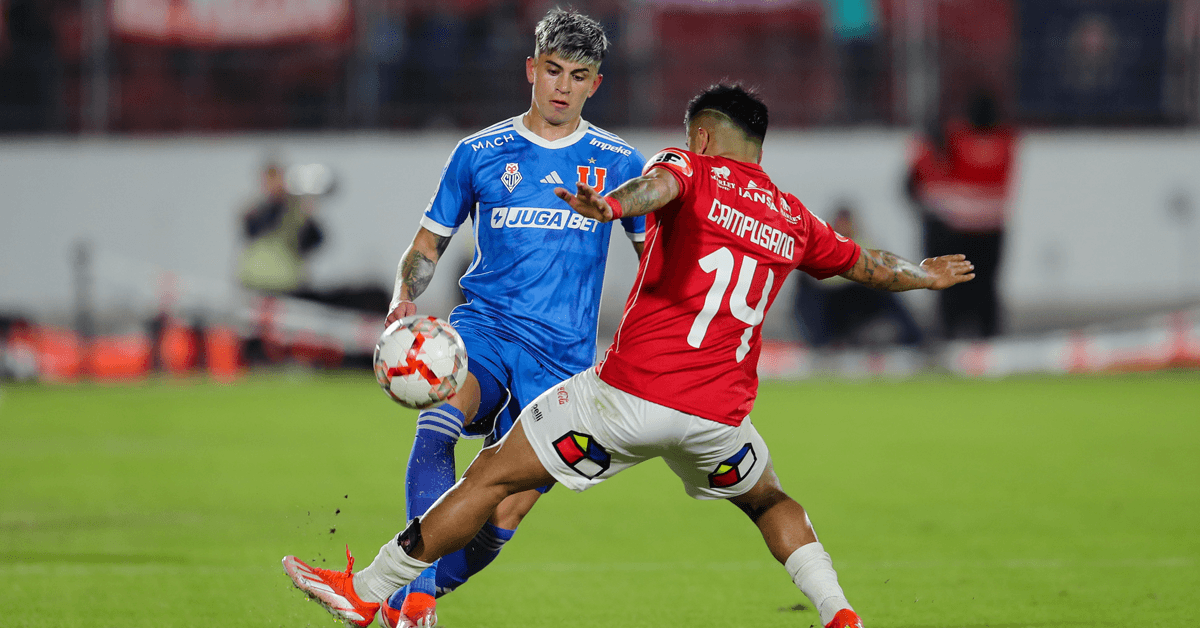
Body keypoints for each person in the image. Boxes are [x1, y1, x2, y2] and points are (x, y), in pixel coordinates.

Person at [282, 84, 973, 628]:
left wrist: (611, 206)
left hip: (625, 399)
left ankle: (369, 592)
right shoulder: (793, 216)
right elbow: (870, 265)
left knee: (491, 475)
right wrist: (924, 272)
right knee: (768, 499)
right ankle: (839, 613)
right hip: (719, 418)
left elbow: (657, 189)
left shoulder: (687, 167)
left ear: (701, 136)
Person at [373, 8, 647, 628]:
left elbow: (652, 260)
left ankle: (409, 600)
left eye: (578, 76)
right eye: (552, 70)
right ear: (531, 69)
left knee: (503, 513)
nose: (562, 87)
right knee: (440, 416)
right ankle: (411, 600)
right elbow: (426, 248)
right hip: (486, 331)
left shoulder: (621, 163)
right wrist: (402, 299)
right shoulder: (480, 153)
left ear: (595, 84)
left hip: (565, 362)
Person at [905, 89, 1017, 339]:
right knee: (984, 289)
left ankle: (953, 336)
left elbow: (920, 179)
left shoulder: (956, 139)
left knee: (953, 291)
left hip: (955, 228)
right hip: (992, 229)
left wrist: (925, 146)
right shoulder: (1008, 142)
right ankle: (987, 340)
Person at [795, 203, 923, 348]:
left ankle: (914, 339)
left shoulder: (865, 245)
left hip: (860, 299)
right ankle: (821, 343)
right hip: (829, 302)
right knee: (809, 297)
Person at [237, 160, 326, 296]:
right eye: (269, 179)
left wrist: (307, 216)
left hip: (288, 285)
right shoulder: (255, 209)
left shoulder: (298, 211)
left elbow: (315, 240)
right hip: (254, 284)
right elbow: (252, 229)